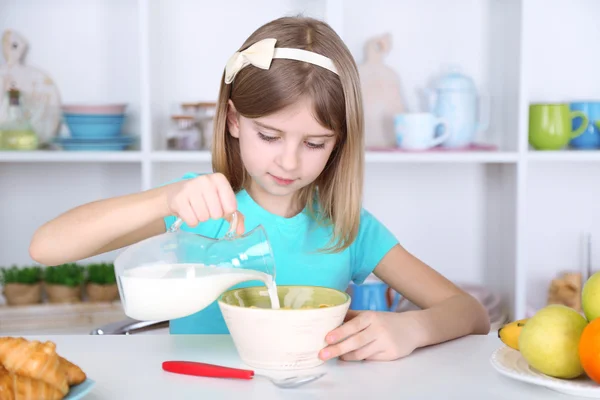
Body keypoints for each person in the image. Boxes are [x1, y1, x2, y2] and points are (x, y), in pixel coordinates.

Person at [29, 16, 490, 362]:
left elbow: (470, 312)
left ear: (340, 143)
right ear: (232, 120)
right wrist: (165, 199)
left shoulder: (348, 228)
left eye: (314, 143)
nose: (289, 161)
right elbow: (46, 247)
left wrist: (412, 329)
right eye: (269, 136)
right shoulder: (198, 205)